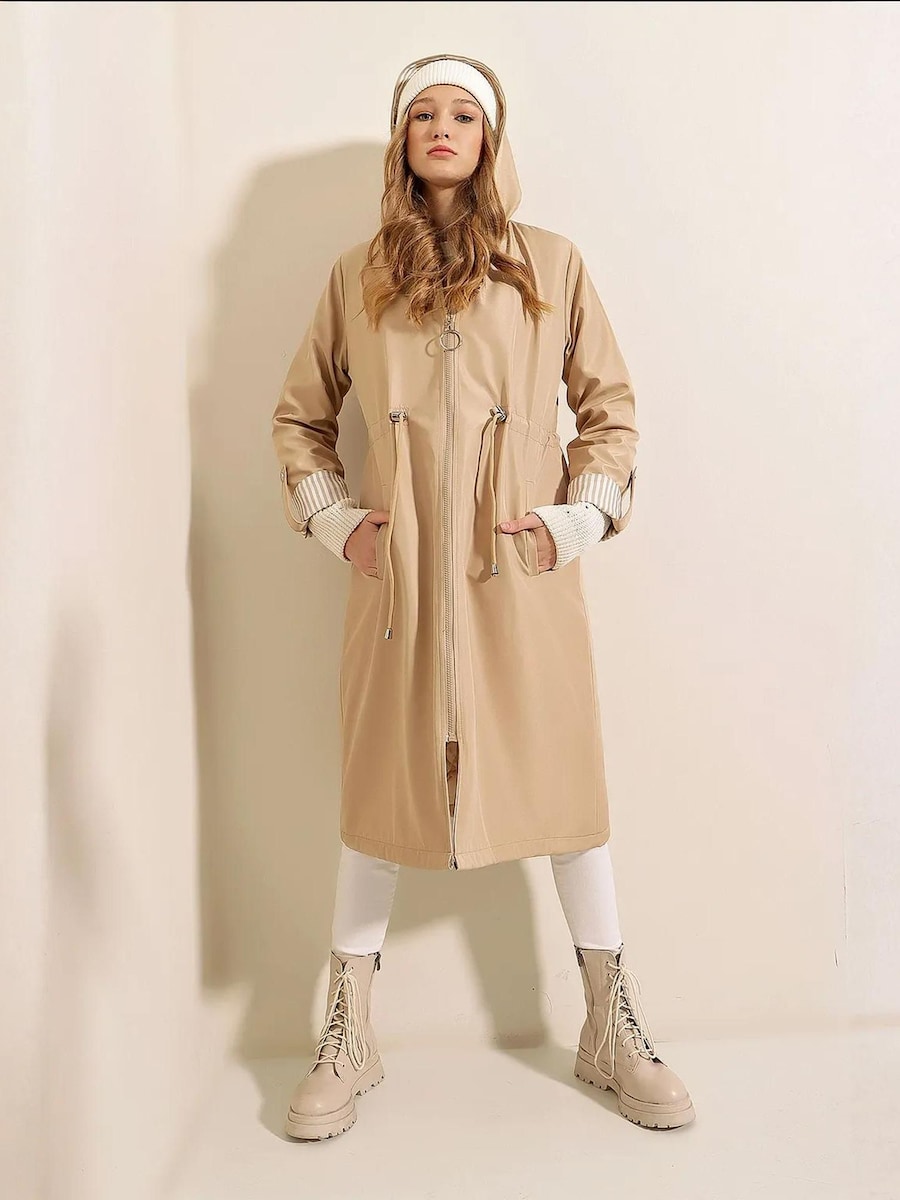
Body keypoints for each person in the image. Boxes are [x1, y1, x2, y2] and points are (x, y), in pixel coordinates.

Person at [271, 52, 695, 1140]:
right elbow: (301, 419)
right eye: (424, 112)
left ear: (490, 138)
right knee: (380, 793)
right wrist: (339, 523)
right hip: (402, 581)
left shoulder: (552, 264)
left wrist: (576, 520)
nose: (443, 127)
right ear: (402, 139)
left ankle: (610, 1022)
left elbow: (610, 411)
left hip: (522, 576)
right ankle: (348, 1030)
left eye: (464, 112)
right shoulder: (359, 274)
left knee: (567, 797)